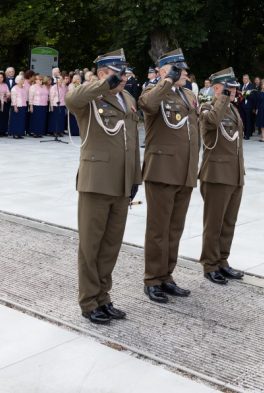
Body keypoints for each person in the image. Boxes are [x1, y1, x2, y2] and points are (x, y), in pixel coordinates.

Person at [65, 49, 141, 324]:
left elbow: (132, 143)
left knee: (110, 246)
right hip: (96, 182)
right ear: (101, 74)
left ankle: (103, 298)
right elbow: (70, 98)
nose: (123, 78)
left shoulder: (128, 98)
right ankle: (88, 302)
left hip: (121, 183)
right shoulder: (90, 98)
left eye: (125, 73)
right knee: (91, 246)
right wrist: (103, 85)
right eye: (116, 73)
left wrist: (135, 179)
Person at [138, 48, 198, 304]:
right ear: (164, 71)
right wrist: (166, 81)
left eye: (183, 69)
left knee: (175, 228)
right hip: (162, 170)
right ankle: (152, 279)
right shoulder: (152, 92)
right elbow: (148, 106)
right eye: (178, 69)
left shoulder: (187, 94)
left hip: (184, 170)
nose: (184, 73)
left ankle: (166, 276)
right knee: (158, 229)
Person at [198, 68, 244, 284]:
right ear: (217, 88)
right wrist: (223, 99)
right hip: (216, 174)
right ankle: (210, 264)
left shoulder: (233, 110)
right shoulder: (207, 108)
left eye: (234, 87)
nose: (233, 91)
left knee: (228, 222)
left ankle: (222, 261)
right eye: (228, 87)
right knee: (214, 223)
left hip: (234, 173)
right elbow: (212, 123)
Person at [0, 68, 15, 137]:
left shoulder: (5, 85)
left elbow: (8, 93)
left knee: (4, 117)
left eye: (1, 77)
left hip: (5, 102)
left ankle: (3, 131)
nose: (0, 79)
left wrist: (8, 95)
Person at [9, 74, 27, 140]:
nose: (23, 80)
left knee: (21, 120)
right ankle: (15, 133)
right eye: (22, 79)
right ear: (18, 81)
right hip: (17, 105)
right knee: (16, 120)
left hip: (23, 105)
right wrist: (15, 107)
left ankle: (20, 133)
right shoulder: (14, 88)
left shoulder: (24, 88)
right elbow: (13, 98)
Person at [238, 74, 255, 140]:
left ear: (248, 79)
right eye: (243, 78)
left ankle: (248, 134)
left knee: (248, 120)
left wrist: (246, 96)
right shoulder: (241, 86)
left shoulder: (251, 86)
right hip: (241, 105)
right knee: (242, 120)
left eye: (245, 78)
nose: (244, 80)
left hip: (248, 106)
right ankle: (243, 133)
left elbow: (253, 96)